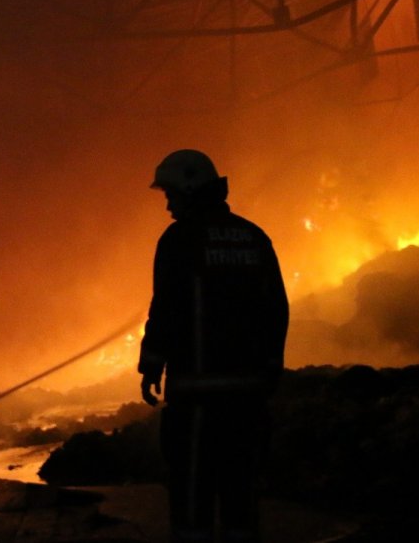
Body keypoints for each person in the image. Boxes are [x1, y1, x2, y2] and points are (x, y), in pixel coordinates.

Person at [139, 149, 289, 543]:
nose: (168, 204)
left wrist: (151, 364)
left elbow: (166, 309)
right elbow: (276, 308)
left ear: (189, 188)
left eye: (170, 194)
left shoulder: (178, 240)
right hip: (248, 396)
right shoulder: (254, 237)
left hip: (197, 399)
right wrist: (272, 366)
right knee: (241, 490)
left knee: (192, 493)